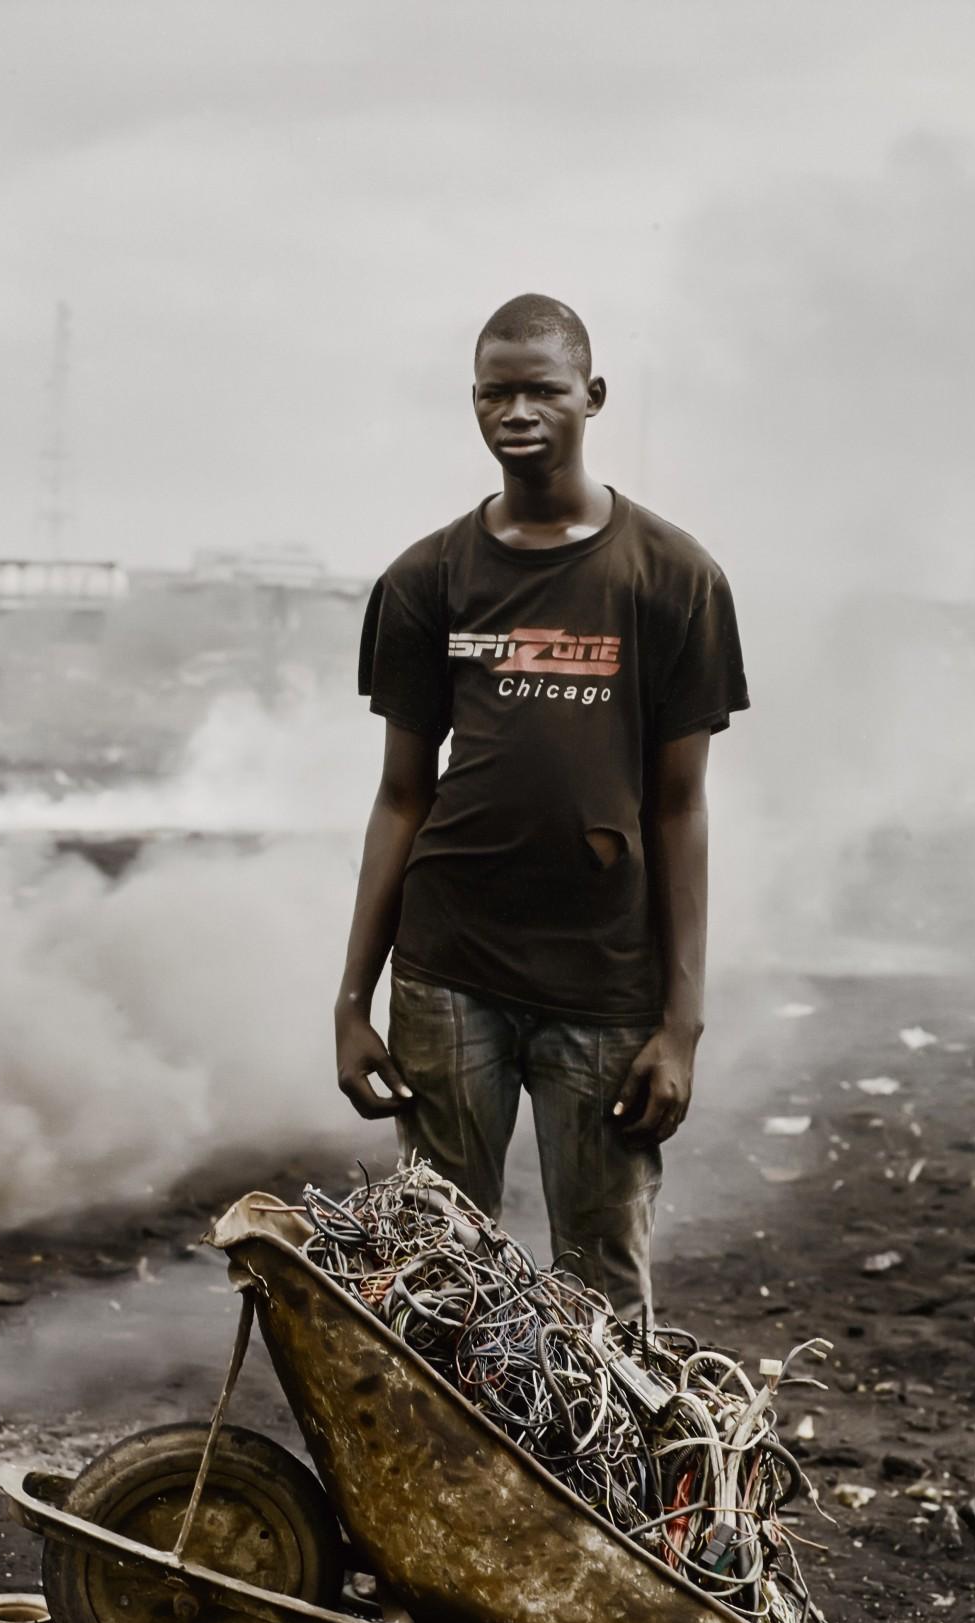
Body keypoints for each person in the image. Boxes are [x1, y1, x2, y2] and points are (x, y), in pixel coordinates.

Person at [335, 293, 747, 1322]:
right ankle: (441, 1483)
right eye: (493, 391)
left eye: (540, 389)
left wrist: (680, 1024)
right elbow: (398, 797)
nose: (515, 411)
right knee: (437, 1274)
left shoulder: (673, 580)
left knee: (601, 1285)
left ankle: (599, 1489)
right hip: (448, 972)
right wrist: (351, 1000)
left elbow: (680, 810)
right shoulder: (426, 580)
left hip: (604, 988)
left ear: (591, 397)